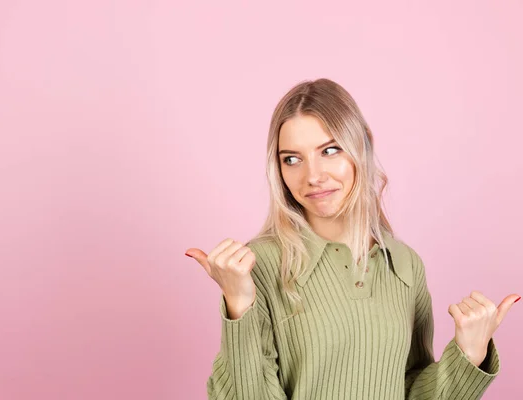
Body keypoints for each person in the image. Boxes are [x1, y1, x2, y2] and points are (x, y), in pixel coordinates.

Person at [185, 78, 520, 399]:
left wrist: (470, 354)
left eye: (329, 151)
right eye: (292, 159)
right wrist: (239, 303)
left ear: (360, 148)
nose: (313, 176)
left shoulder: (404, 265)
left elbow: (413, 389)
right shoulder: (257, 265)